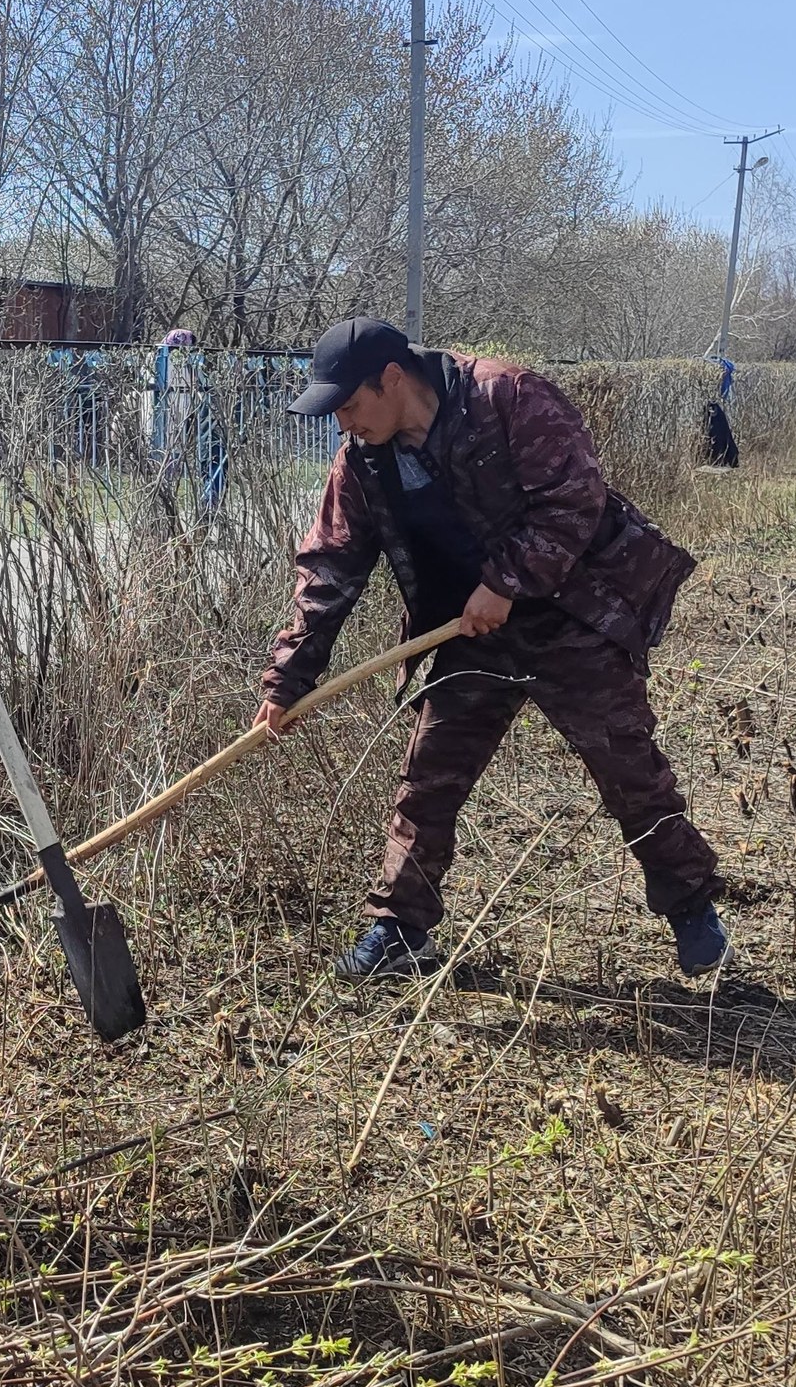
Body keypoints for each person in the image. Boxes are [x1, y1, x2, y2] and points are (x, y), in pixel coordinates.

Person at [255, 317, 727, 980]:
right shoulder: (362, 460)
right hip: (466, 632)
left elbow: (574, 500)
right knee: (429, 779)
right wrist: (287, 681)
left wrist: (507, 581)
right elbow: (329, 569)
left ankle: (691, 904)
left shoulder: (506, 396)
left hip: (570, 615)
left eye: (350, 405)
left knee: (627, 765)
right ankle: (401, 930)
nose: (343, 423)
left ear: (391, 378)